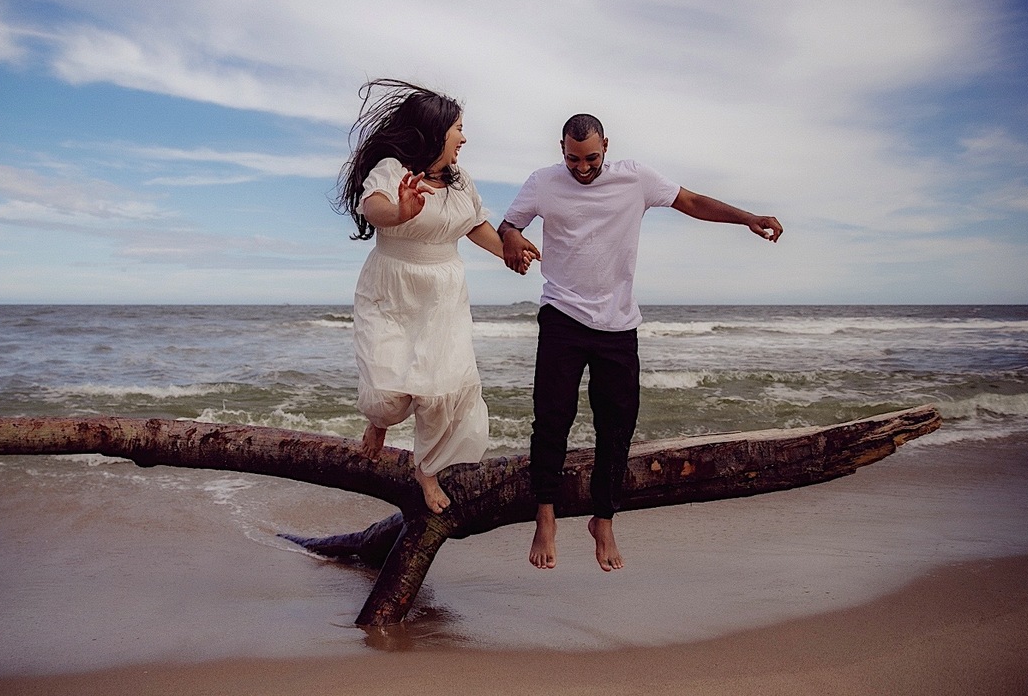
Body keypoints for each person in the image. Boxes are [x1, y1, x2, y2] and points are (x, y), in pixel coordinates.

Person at [498, 113, 782, 571]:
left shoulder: (635, 179)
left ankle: (603, 519)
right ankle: (545, 514)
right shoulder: (543, 182)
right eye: (573, 159)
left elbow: (690, 201)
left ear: (606, 146)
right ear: (561, 149)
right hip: (562, 316)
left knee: (618, 426)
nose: (583, 168)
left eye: (591, 158)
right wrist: (511, 239)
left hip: (617, 324)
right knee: (552, 419)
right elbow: (508, 224)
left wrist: (746, 218)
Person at [335, 79, 533, 514]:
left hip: (443, 293)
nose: (464, 138)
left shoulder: (461, 182)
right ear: (435, 131)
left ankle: (426, 470)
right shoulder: (392, 169)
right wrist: (401, 211)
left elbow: (474, 224)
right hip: (392, 287)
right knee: (388, 393)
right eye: (458, 128)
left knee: (442, 388)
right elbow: (375, 208)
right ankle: (378, 422)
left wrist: (509, 252)